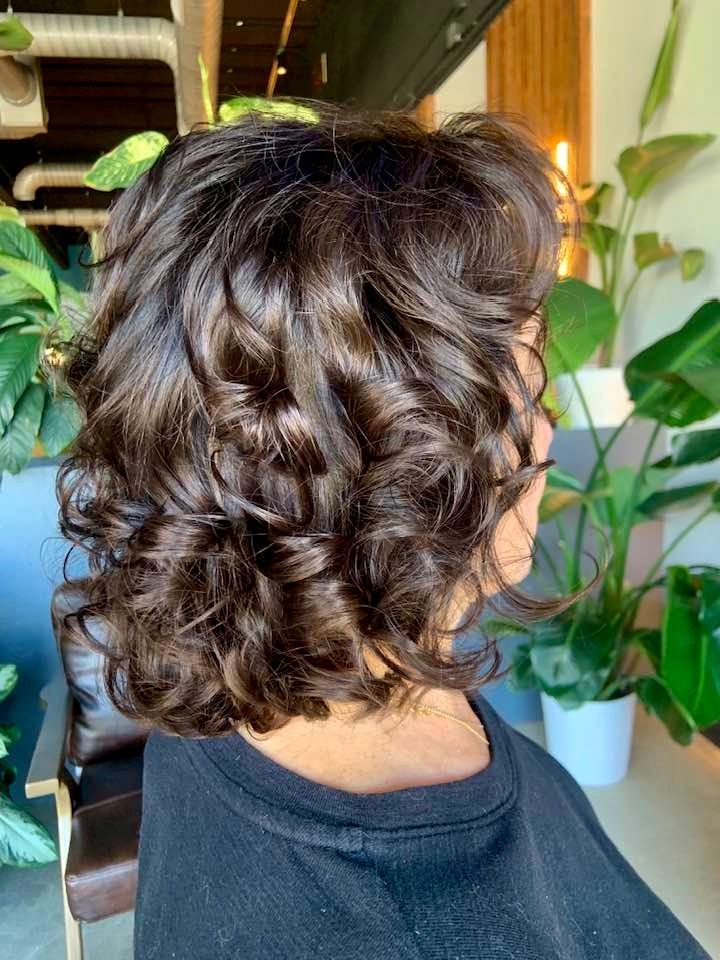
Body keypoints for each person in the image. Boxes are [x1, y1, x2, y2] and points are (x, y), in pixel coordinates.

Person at [56, 102, 710, 960]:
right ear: (408, 472)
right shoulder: (411, 921)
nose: (547, 435)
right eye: (526, 393)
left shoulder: (232, 707)